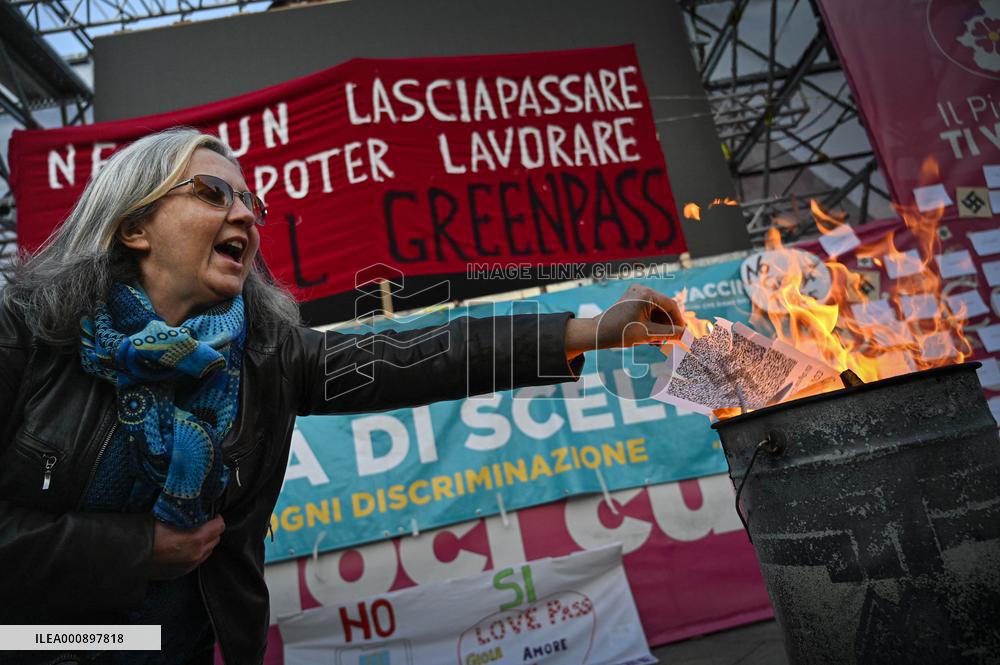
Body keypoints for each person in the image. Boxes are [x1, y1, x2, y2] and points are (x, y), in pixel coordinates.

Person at [0, 127, 683, 664]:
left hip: (174, 646)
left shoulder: (267, 356)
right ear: (134, 226)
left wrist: (593, 329)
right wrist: (132, 547)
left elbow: (421, 355)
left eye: (250, 203)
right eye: (212, 193)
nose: (243, 212)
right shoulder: (28, 337)